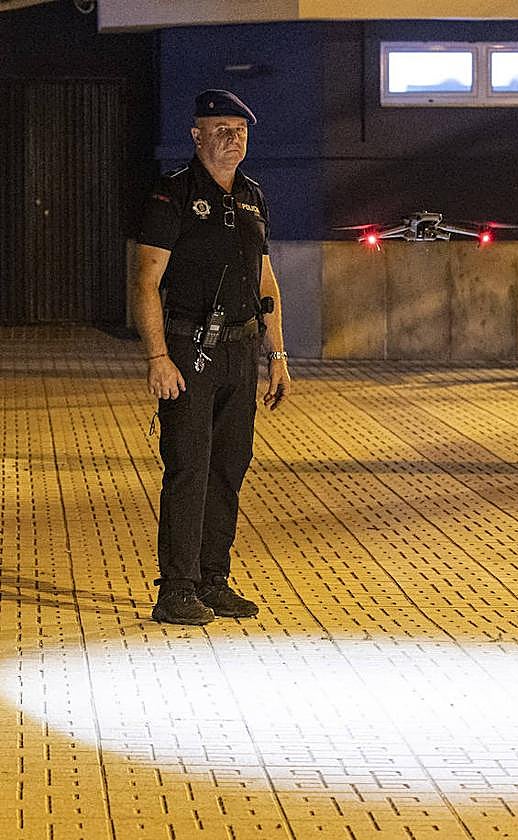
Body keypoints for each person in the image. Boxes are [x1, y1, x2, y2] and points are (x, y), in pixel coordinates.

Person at [131, 89, 292, 625]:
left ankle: (213, 580)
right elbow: (146, 281)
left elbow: (265, 280)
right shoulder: (173, 193)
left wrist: (277, 355)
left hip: (241, 352)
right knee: (188, 469)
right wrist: (157, 357)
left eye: (240, 131)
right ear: (196, 136)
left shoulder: (251, 195)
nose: (233, 138)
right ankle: (176, 589)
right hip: (188, 350)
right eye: (221, 129)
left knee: (228, 467)